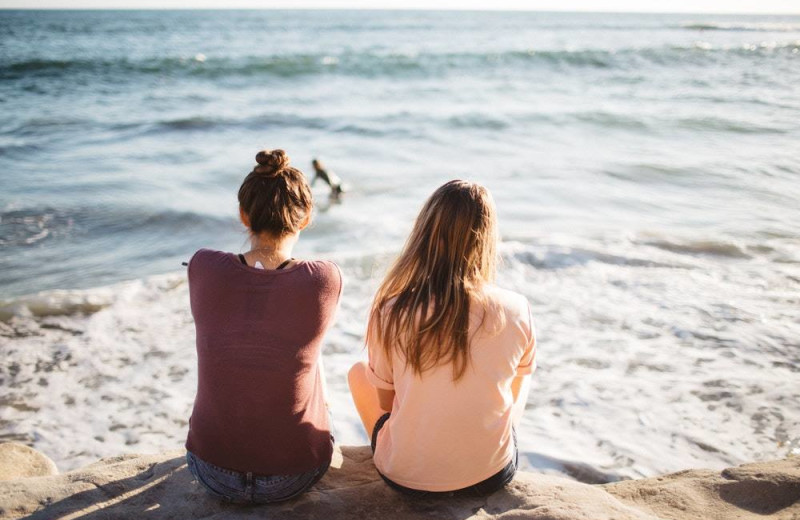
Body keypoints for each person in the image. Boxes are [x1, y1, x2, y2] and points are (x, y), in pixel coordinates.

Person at [348, 180, 536, 497]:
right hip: (490, 473)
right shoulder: (516, 308)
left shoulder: (391, 310)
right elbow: (514, 387)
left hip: (405, 478)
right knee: (522, 377)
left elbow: (387, 403)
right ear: (487, 238)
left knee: (358, 372)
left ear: (424, 234)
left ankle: (414, 455)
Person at [185, 149, 342, 504]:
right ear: (304, 220)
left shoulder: (203, 265)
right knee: (309, 356)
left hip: (212, 471)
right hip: (294, 474)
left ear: (244, 215)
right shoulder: (324, 279)